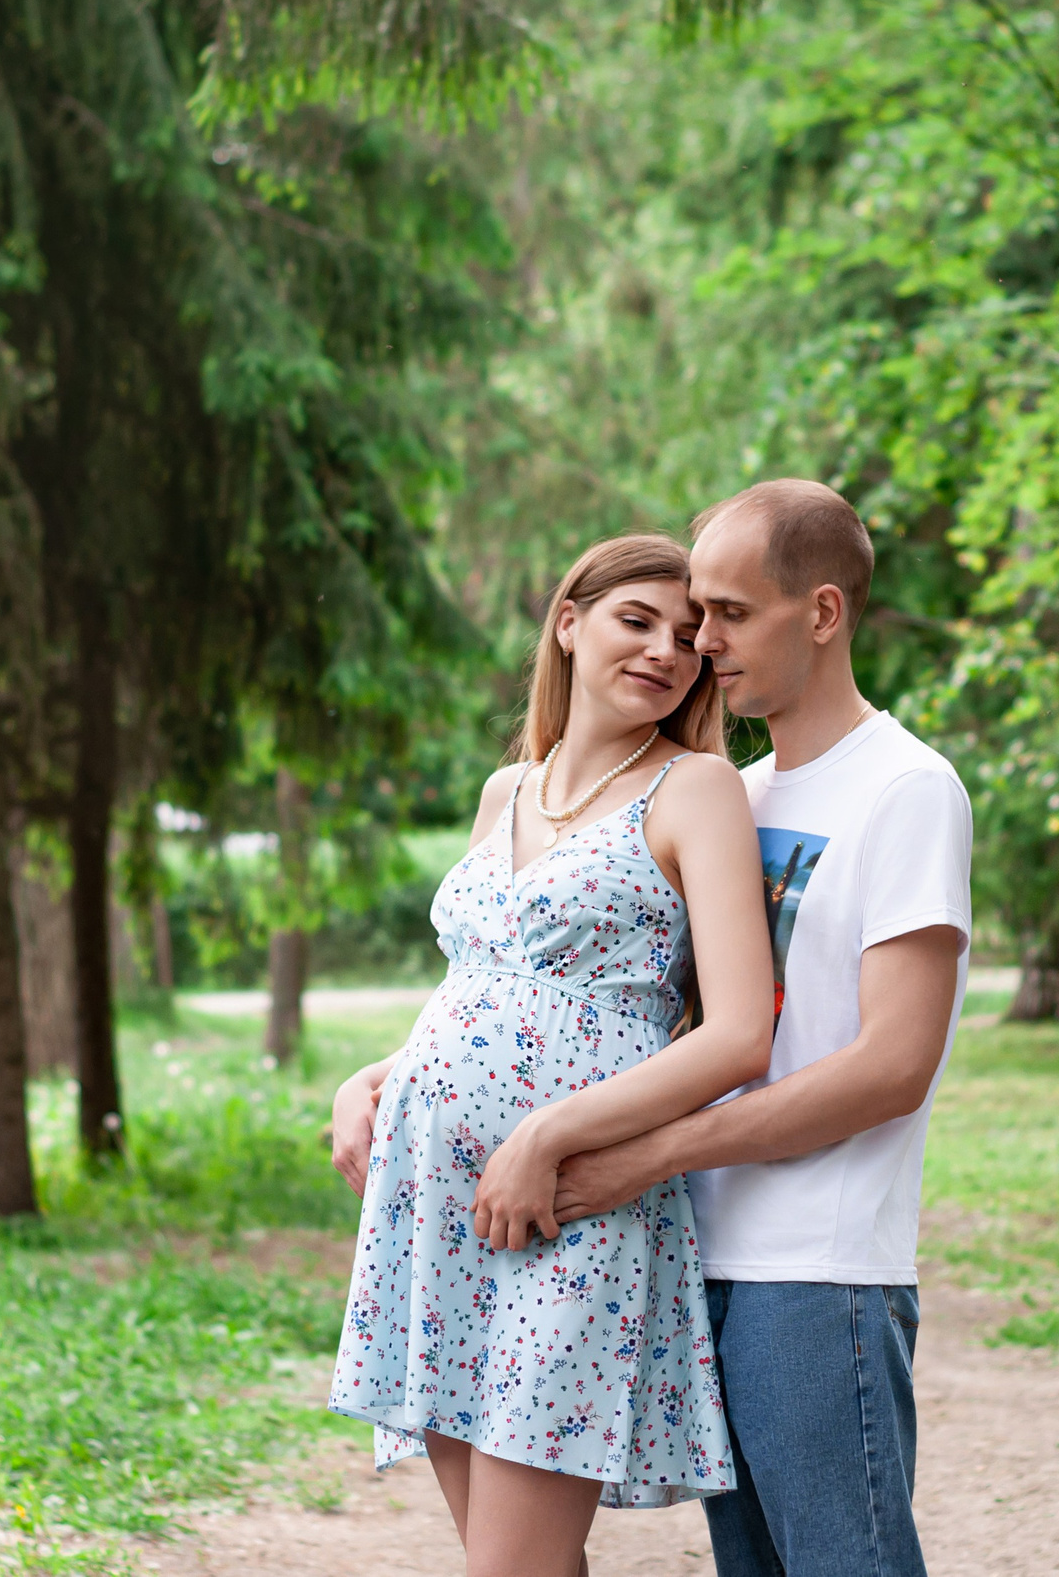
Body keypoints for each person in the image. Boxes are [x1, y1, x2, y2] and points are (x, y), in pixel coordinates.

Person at [346, 481, 975, 1577]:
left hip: (806, 1257)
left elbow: (890, 1064)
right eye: (681, 616)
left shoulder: (899, 789)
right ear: (567, 625)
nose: (698, 643)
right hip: (680, 1230)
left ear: (821, 613)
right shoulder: (750, 788)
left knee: (842, 1561)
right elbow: (565, 992)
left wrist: (621, 1151)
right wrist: (395, 1072)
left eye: (721, 615)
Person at [327, 533, 778, 1577]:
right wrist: (373, 1078)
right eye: (637, 620)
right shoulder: (506, 792)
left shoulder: (695, 789)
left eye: (688, 637)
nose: (665, 650)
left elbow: (736, 1034)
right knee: (521, 1560)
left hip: (572, 1203)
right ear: (569, 623)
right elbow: (483, 990)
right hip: (436, 1205)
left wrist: (546, 1137)